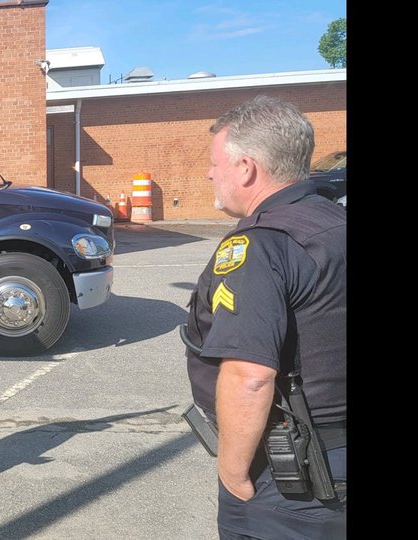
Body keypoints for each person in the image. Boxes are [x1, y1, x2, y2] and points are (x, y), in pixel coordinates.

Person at [181, 96, 346, 539]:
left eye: (217, 162)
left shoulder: (259, 246)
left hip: (297, 476)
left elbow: (250, 375)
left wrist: (233, 475)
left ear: (247, 168)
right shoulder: (335, 222)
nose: (209, 174)